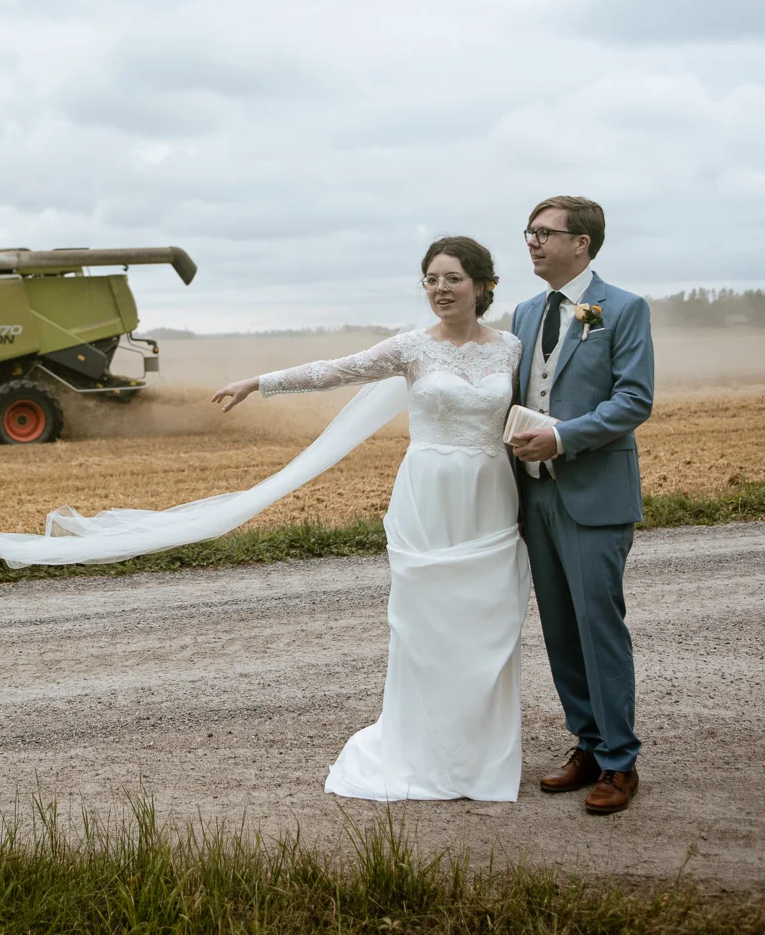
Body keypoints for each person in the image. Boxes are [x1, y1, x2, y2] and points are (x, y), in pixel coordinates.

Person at [209, 237, 531, 801]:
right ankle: (422, 750)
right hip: (428, 494)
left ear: (482, 286)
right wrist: (260, 383)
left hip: (490, 494)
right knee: (426, 621)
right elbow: (335, 371)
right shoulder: (411, 349)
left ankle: (481, 756)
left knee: (489, 621)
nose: (440, 289)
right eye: (431, 279)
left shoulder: (510, 349)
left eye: (452, 278)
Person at [508, 196, 653, 815]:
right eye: (530, 233)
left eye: (545, 233)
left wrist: (563, 436)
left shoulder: (622, 308)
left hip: (594, 493)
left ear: (582, 244)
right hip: (533, 494)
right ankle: (587, 746)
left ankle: (621, 762)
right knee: (561, 631)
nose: (533, 242)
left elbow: (634, 399)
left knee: (599, 627)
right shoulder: (521, 313)